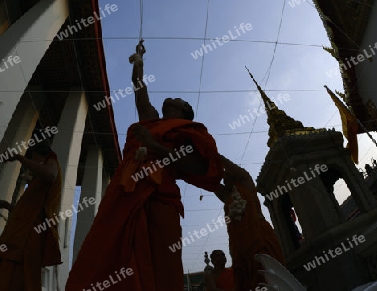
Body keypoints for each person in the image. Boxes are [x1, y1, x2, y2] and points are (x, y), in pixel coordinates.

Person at [66, 41, 223, 291]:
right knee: (110, 247)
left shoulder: (188, 131)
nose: (171, 97)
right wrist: (139, 62)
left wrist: (154, 145)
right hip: (126, 189)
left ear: (184, 111)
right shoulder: (152, 120)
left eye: (178, 99)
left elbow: (195, 166)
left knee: (161, 258)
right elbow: (139, 91)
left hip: (160, 193)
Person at [215, 156, 285, 291]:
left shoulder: (245, 181)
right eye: (223, 178)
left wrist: (211, 153)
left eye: (226, 176)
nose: (224, 179)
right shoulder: (226, 196)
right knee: (247, 280)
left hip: (260, 237)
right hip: (239, 245)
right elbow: (211, 183)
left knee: (268, 274)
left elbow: (232, 168)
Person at [0, 143, 62, 291]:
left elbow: (50, 175)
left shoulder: (51, 161)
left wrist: (19, 158)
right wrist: (7, 206)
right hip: (17, 235)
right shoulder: (36, 182)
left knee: (18, 273)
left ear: (36, 154)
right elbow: (27, 212)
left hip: (28, 236)